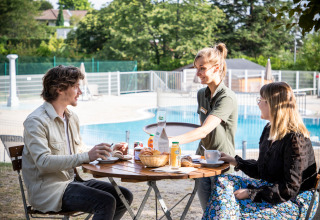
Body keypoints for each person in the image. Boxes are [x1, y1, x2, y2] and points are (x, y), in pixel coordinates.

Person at [22, 65, 133, 220]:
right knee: (105, 202)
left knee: (124, 196)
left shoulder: (71, 117)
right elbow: (43, 162)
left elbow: (80, 151)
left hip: (72, 181)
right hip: (49, 191)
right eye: (76, 87)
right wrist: (87, 156)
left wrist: (109, 150)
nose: (80, 92)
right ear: (60, 88)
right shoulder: (36, 121)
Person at [202, 82, 318, 219]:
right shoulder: (269, 130)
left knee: (237, 213)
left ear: (273, 104)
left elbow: (290, 188)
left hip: (294, 201)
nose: (258, 104)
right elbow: (262, 169)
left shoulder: (296, 139)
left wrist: (252, 193)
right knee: (223, 181)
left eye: (260, 100)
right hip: (269, 188)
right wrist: (235, 162)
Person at [170, 43, 238, 211]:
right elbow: (203, 129)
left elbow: (204, 130)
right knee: (207, 212)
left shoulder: (227, 97)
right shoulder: (202, 94)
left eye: (202, 68)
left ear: (217, 67)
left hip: (222, 163)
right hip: (201, 162)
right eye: (196, 69)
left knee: (222, 214)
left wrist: (171, 141)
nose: (198, 73)